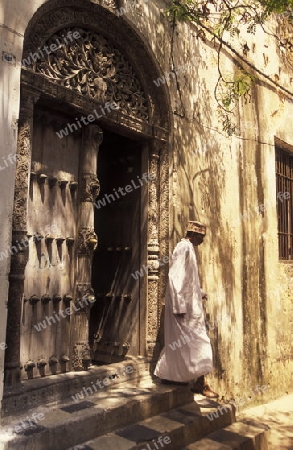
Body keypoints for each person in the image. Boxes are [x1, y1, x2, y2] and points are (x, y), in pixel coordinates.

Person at [154, 220, 218, 398]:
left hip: (189, 305)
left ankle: (169, 375)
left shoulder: (188, 249)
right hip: (183, 309)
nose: (203, 241)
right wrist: (180, 306)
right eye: (201, 237)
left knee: (179, 345)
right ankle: (201, 384)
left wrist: (200, 292)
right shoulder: (184, 248)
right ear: (194, 234)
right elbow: (176, 278)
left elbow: (189, 281)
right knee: (200, 343)